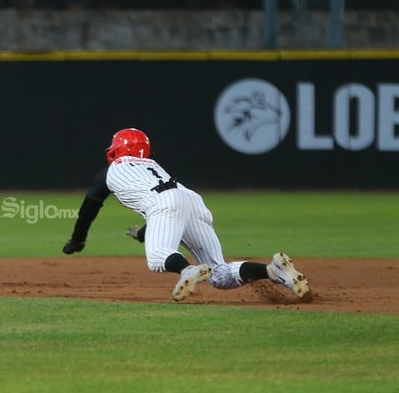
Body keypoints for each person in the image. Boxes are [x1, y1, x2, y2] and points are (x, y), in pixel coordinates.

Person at [102, 127, 310, 302]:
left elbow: (162, 206)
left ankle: (186, 270)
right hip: (191, 200)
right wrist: (143, 233)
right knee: (218, 274)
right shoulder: (152, 165)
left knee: (157, 257)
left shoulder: (117, 170)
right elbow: (169, 209)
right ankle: (274, 271)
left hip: (169, 202)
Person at [62, 165, 110, 254]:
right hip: (118, 165)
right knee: (91, 200)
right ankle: (77, 240)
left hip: (140, 167)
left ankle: (142, 233)